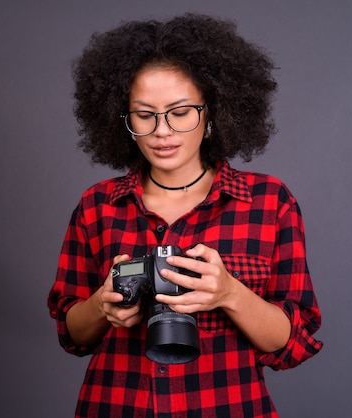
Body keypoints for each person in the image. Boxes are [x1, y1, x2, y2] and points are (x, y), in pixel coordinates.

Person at [47, 13, 323, 417]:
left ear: (211, 112)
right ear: (122, 118)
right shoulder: (98, 205)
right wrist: (102, 304)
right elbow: (72, 335)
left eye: (180, 112)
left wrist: (228, 293)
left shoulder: (268, 202)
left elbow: (294, 343)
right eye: (145, 114)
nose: (162, 131)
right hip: (115, 405)